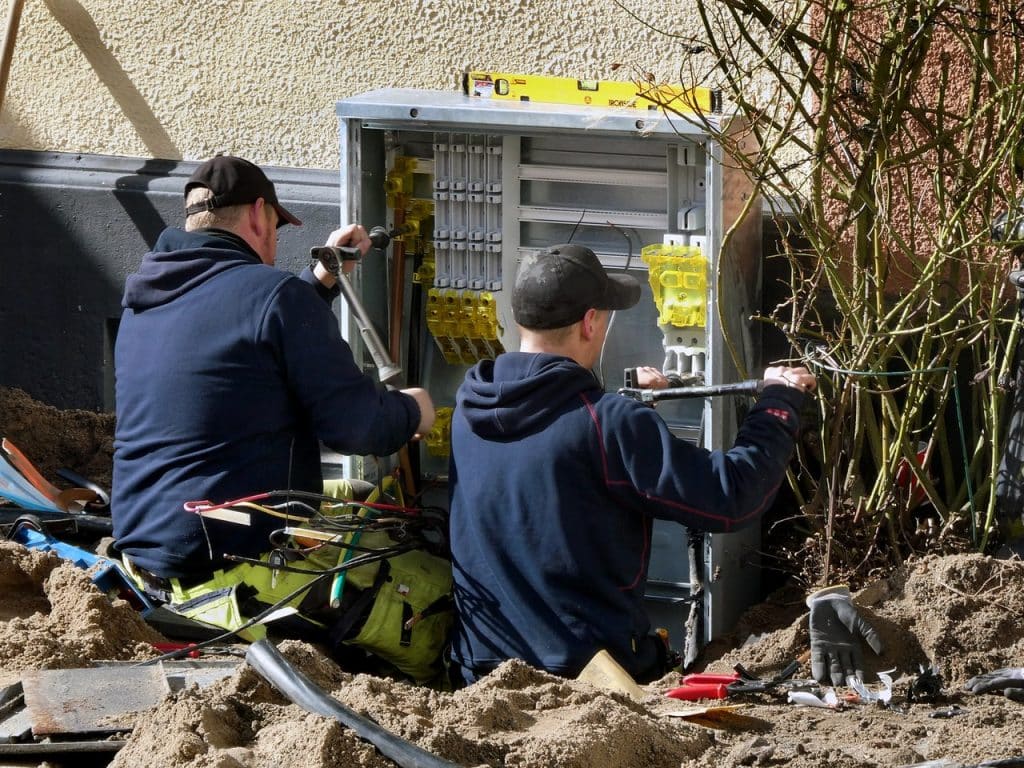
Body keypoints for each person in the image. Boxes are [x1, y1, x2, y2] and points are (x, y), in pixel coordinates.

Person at [447, 243, 816, 684]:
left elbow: (556, 458)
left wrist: (622, 404)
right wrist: (779, 403)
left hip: (479, 671)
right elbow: (731, 495)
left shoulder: (470, 410)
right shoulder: (610, 424)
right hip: (585, 681)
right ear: (589, 322)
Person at [111, 155, 435, 639]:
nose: (275, 240)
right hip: (233, 569)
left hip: (148, 557)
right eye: (277, 227)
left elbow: (240, 335)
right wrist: (415, 409)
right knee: (430, 593)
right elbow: (360, 428)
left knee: (364, 497)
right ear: (260, 214)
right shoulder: (275, 298)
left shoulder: (148, 297)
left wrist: (319, 281)